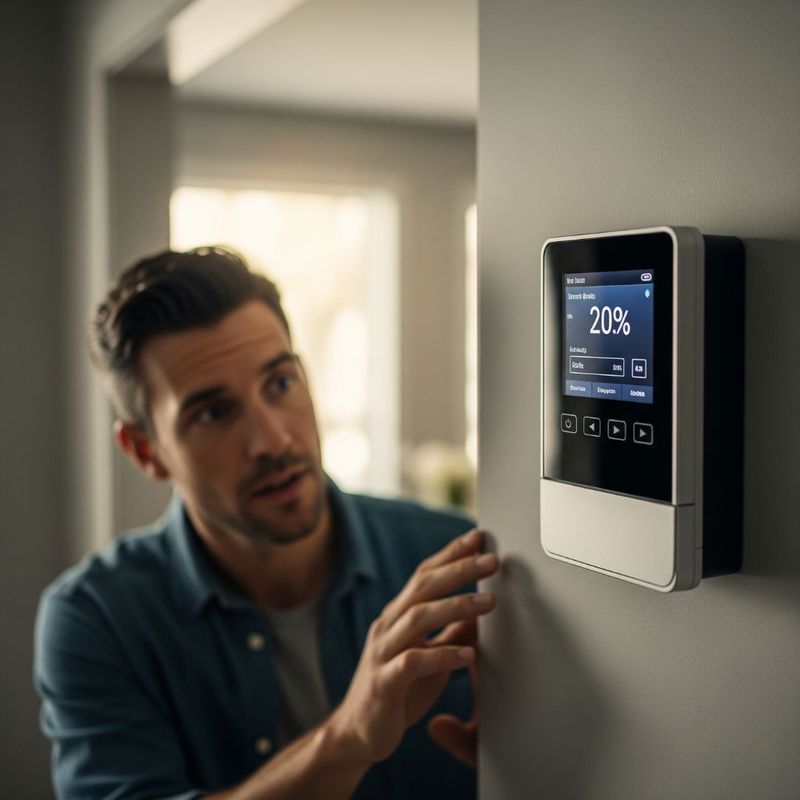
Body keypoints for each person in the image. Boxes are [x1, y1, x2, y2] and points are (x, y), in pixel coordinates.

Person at [34, 247, 499, 800]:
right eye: (213, 413)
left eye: (280, 384)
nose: (273, 441)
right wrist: (348, 737)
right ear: (146, 452)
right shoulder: (98, 618)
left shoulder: (457, 558)